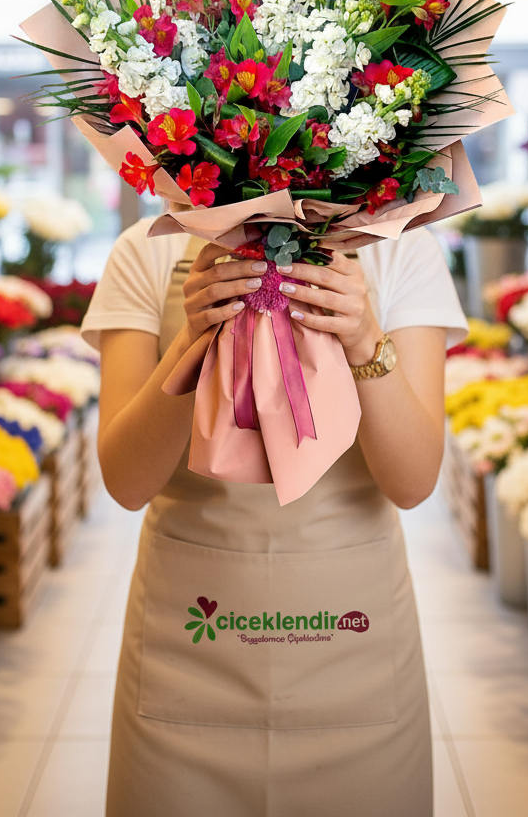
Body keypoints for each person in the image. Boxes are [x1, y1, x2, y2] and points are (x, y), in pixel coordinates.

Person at [81, 214, 467, 817]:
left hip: (349, 648)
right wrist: (192, 338)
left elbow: (413, 481)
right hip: (187, 656)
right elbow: (126, 483)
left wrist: (364, 337)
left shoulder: (400, 252)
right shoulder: (148, 252)